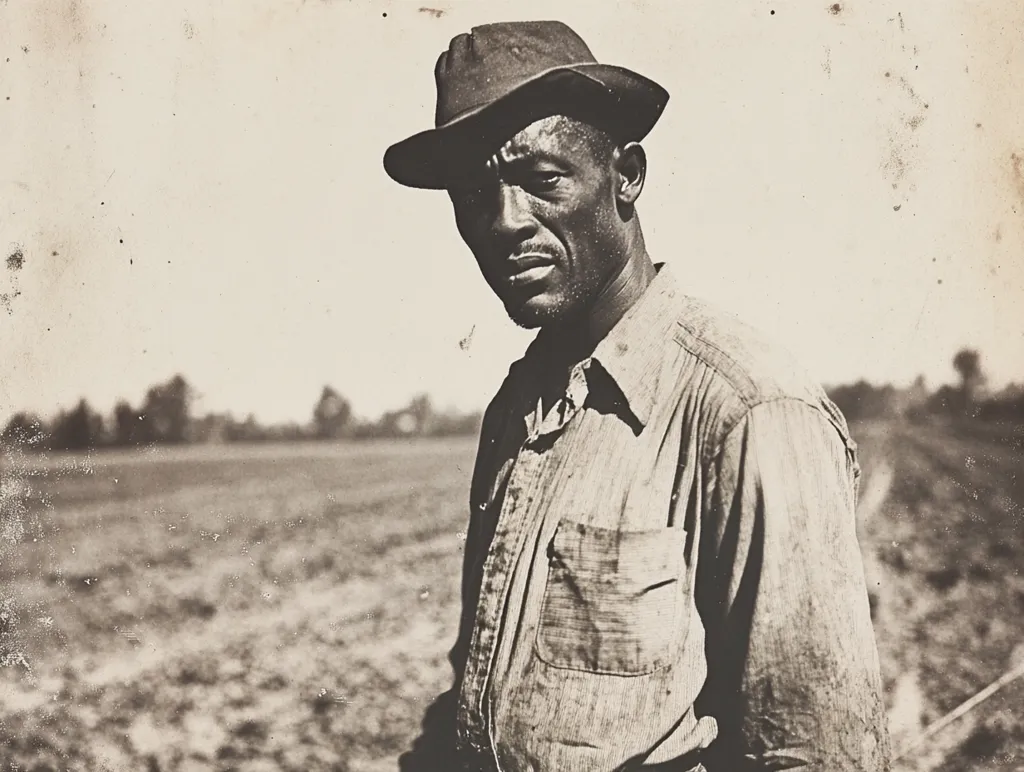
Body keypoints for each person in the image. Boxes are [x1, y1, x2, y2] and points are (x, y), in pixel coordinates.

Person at [383, 19, 890, 772]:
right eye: (473, 194)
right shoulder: (517, 406)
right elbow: (481, 689)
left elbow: (814, 750)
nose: (504, 222)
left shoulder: (747, 409)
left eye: (544, 180)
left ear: (627, 175)